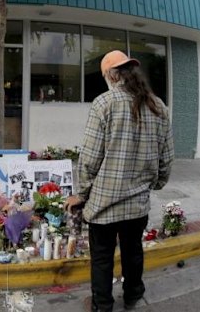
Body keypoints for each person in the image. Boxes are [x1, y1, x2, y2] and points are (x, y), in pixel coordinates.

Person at [64, 50, 174, 311]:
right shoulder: (159, 107)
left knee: (102, 258)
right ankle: (133, 295)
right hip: (137, 205)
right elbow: (166, 159)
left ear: (112, 74)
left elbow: (90, 157)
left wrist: (82, 193)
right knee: (132, 251)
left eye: (104, 75)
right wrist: (154, 183)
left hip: (104, 203)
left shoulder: (104, 103)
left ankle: (102, 305)